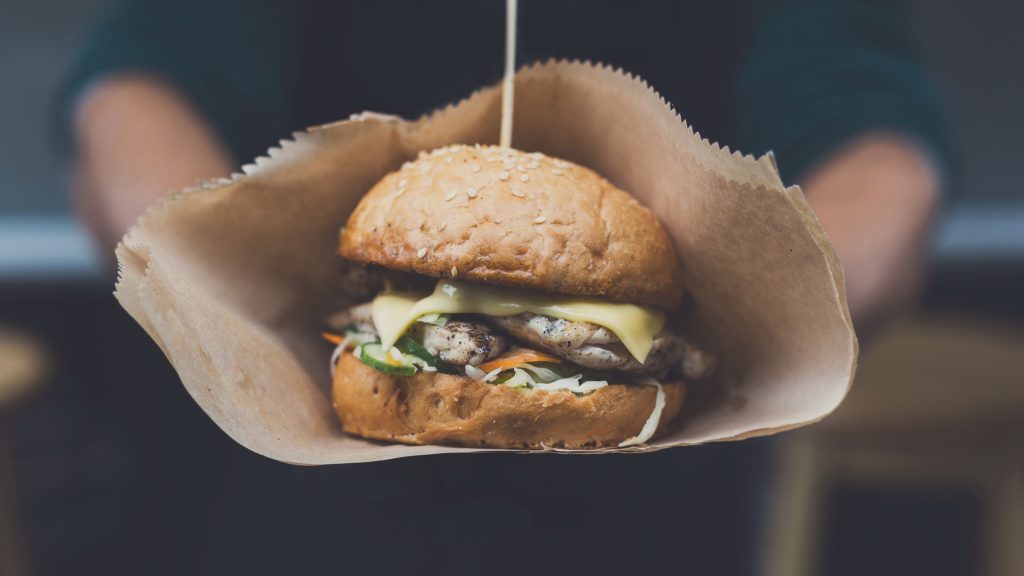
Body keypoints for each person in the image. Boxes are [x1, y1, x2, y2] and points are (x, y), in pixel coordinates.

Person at [50, 1, 949, 574]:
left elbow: (870, 128)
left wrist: (782, 324)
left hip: (653, 494)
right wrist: (222, 301)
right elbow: (145, 78)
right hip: (305, 465)